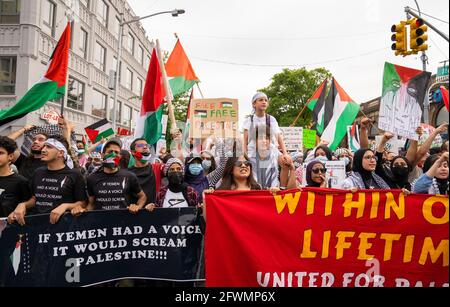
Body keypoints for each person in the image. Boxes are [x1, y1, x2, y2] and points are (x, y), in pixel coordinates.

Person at [8, 136, 88, 225]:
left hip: (62, 226)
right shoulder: (38, 172)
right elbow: (35, 198)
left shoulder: (75, 175)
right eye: (44, 146)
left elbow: (83, 203)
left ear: (60, 153)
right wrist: (23, 205)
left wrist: (65, 206)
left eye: (49, 147)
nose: (43, 150)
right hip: (37, 224)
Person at [73, 138, 146, 213]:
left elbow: (142, 196)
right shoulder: (92, 178)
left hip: (123, 222)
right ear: (102, 155)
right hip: (100, 223)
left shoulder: (129, 176)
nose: (113, 154)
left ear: (119, 157)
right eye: (110, 151)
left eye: (116, 152)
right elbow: (91, 204)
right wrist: (83, 211)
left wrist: (138, 206)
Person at [242, 92, 289, 165]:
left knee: (286, 163)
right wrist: (244, 154)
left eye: (266, 100)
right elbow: (244, 140)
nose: (264, 102)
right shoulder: (249, 120)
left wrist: (285, 153)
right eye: (260, 100)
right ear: (254, 104)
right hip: (253, 150)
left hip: (270, 148)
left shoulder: (271, 119)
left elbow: (278, 136)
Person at [0, 136, 32, 218]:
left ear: (10, 156)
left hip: (9, 228)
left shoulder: (21, 182)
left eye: (0, 153)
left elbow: (28, 208)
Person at [129, 138, 156, 205]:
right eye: (140, 145)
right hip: (133, 213)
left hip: (152, 213)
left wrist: (177, 143)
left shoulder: (156, 168)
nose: (144, 147)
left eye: (146, 146)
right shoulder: (127, 174)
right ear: (133, 152)